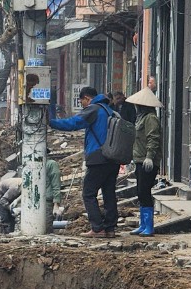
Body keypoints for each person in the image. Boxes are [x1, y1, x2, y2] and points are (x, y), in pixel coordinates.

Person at [48, 86, 118, 237]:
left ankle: (97, 228)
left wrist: (51, 123)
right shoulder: (110, 110)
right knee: (109, 193)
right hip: (113, 158)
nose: (83, 106)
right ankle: (110, 228)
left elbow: (74, 123)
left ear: (87, 98)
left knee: (88, 193)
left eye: (82, 102)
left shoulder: (93, 109)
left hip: (98, 157)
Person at [126, 87, 163, 236]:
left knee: (144, 191)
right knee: (140, 192)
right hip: (140, 160)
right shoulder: (140, 117)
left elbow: (153, 138)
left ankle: (149, 226)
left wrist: (149, 156)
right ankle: (143, 224)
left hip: (149, 161)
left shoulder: (151, 119)